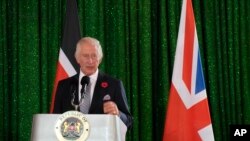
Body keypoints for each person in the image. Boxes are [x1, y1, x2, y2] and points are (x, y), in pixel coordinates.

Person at [53, 37, 133, 128]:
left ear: (100, 59)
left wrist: (118, 114)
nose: (90, 61)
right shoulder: (64, 85)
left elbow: (129, 122)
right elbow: (56, 120)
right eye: (86, 56)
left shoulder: (114, 84)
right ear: (77, 58)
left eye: (94, 56)